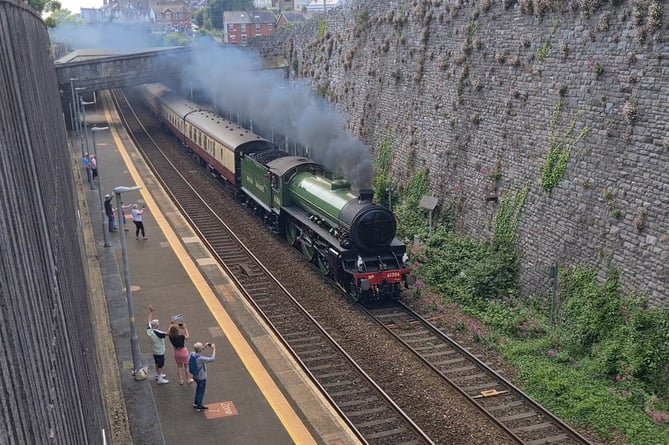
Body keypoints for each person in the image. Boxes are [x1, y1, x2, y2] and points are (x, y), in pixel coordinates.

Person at [147, 305, 169, 384]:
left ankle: (158, 375)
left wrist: (151, 312)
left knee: (157, 363)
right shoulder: (158, 333)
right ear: (156, 325)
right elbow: (168, 333)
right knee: (160, 365)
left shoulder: (150, 331)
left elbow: (149, 321)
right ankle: (160, 378)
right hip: (160, 351)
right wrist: (172, 324)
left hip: (155, 351)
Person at [191, 342, 216, 411]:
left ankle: (196, 403)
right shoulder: (200, 359)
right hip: (201, 377)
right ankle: (199, 405)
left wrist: (204, 346)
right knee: (201, 391)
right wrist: (214, 349)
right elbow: (212, 359)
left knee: (198, 389)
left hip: (195, 375)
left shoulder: (192, 354)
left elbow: (198, 350)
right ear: (200, 350)